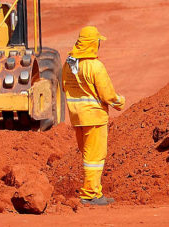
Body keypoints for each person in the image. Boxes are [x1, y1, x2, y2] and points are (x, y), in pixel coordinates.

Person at [62, 25, 125, 206]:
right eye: (98, 42)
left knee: (88, 155)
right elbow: (107, 95)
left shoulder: (69, 64)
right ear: (92, 44)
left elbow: (65, 86)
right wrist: (119, 102)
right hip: (95, 118)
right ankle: (90, 195)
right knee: (95, 158)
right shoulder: (95, 66)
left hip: (77, 118)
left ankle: (94, 191)